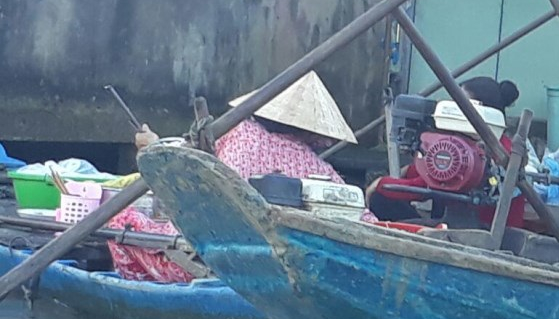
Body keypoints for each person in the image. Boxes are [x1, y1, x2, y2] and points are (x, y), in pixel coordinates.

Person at [109, 71, 369, 283]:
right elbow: (367, 221)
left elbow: (184, 166)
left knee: (118, 221)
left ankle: (142, 284)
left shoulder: (240, 133)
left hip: (204, 262)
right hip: (280, 268)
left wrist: (153, 147)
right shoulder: (316, 165)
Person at [366, 76, 525, 228]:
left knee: (380, 199)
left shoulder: (486, 151)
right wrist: (409, 170)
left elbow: (429, 185)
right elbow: (434, 170)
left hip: (480, 230)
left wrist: (380, 184)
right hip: (475, 223)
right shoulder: (504, 144)